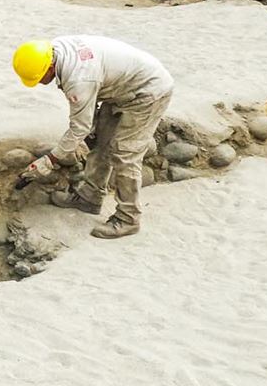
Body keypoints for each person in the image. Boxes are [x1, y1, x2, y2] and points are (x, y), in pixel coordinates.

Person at [11, 36, 175, 240]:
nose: (40, 83)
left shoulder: (79, 79)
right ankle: (90, 197)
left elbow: (79, 127)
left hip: (148, 91)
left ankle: (128, 218)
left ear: (50, 67)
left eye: (40, 77)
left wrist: (50, 160)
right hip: (121, 87)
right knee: (100, 142)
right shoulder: (53, 49)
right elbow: (88, 116)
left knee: (125, 154)